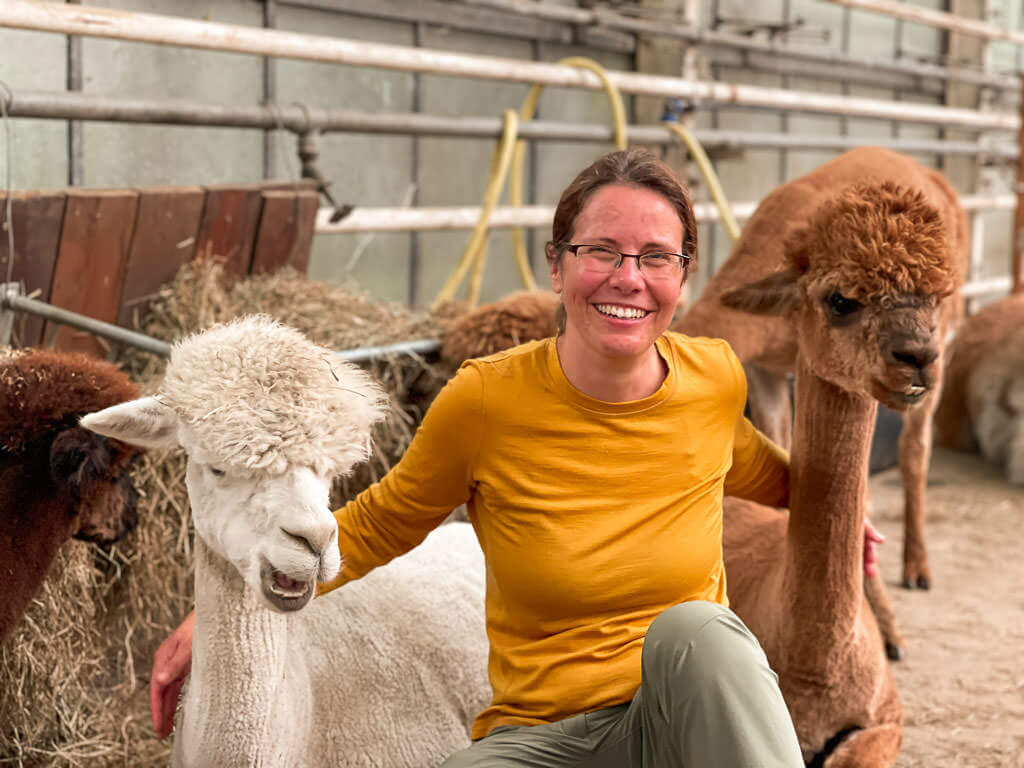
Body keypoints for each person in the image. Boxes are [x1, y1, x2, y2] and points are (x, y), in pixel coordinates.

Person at [151, 148, 884, 766]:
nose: (628, 277)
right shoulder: (484, 401)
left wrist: (844, 524)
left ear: (682, 276)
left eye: (655, 257)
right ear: (558, 265)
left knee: (698, 632)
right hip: (543, 742)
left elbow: (777, 480)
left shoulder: (713, 380)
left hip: (673, 720)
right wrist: (219, 615)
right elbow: (379, 524)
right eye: (601, 251)